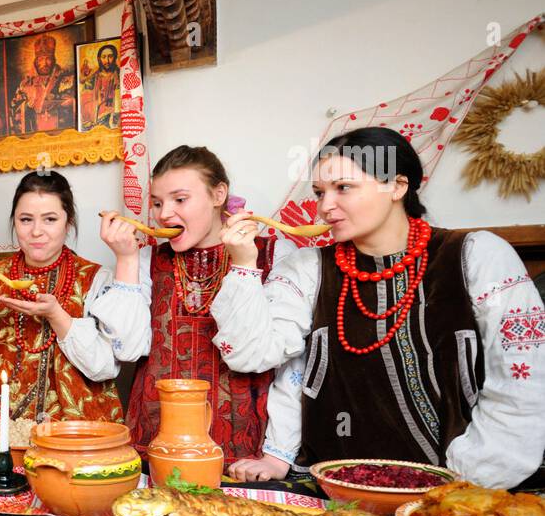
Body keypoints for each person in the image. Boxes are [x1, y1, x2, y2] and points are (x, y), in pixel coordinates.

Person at [210, 127, 545, 489]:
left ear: (397, 186)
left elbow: (522, 380)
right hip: (337, 487)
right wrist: (244, 265)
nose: (325, 207)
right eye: (320, 193)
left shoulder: (478, 255)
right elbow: (253, 356)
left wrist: (471, 478)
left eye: (344, 188)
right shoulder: (307, 269)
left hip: (460, 487)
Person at [93, 145, 287, 463]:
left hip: (242, 457)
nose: (164, 214)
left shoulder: (273, 255)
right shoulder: (143, 260)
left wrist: (277, 456)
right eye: (157, 203)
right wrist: (126, 260)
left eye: (180, 199)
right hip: (152, 447)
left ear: (218, 194)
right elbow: (126, 350)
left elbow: (286, 366)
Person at [0, 171, 126, 429]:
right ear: (14, 222)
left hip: (76, 431)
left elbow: (104, 366)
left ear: (69, 222)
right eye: (26, 219)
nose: (36, 231)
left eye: (50, 219)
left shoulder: (96, 278)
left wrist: (57, 315)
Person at [10, 34, 75, 133]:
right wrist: (27, 105)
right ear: (35, 61)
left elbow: (76, 103)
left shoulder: (67, 79)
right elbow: (14, 108)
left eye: (48, 58)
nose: (45, 63)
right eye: (40, 59)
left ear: (54, 59)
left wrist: (71, 102)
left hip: (62, 133)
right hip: (34, 135)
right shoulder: (25, 84)